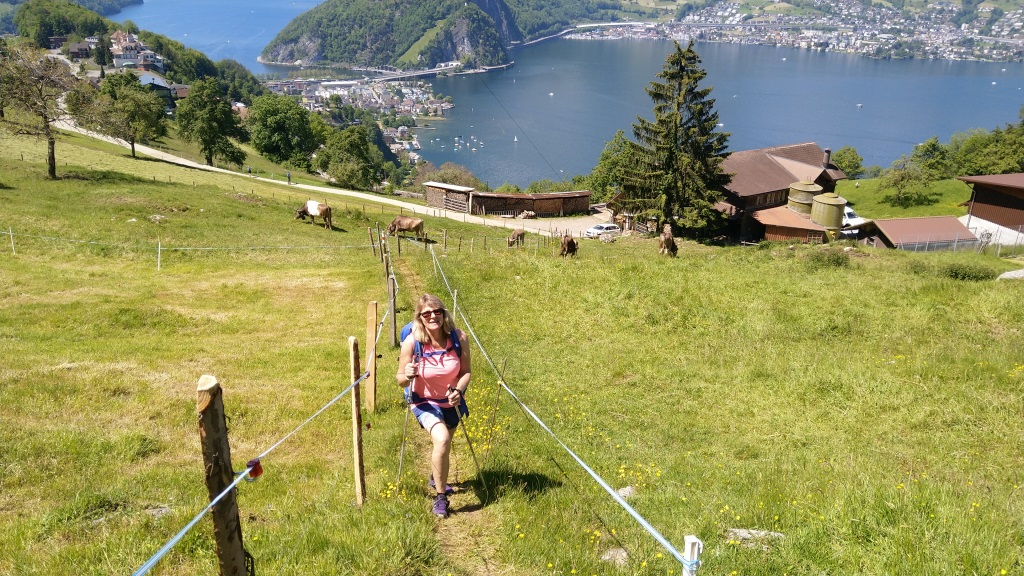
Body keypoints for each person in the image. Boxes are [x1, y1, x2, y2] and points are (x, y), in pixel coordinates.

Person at [396, 294, 471, 517]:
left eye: (436, 311)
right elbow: (400, 378)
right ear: (419, 318)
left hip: (451, 401)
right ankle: (440, 498)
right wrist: (407, 373)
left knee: (443, 447)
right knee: (442, 439)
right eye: (426, 313)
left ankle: (435, 476)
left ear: (443, 313)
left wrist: (459, 390)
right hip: (424, 401)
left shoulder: (459, 338)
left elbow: (465, 372)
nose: (432, 316)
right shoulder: (413, 342)